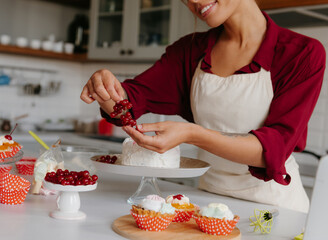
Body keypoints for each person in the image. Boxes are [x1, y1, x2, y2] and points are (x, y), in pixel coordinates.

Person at [81, 0, 326, 213]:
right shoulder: (190, 51)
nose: (194, 2)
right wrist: (105, 88)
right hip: (208, 202)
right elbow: (130, 101)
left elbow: (273, 151)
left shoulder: (302, 53)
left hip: (274, 209)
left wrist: (193, 134)